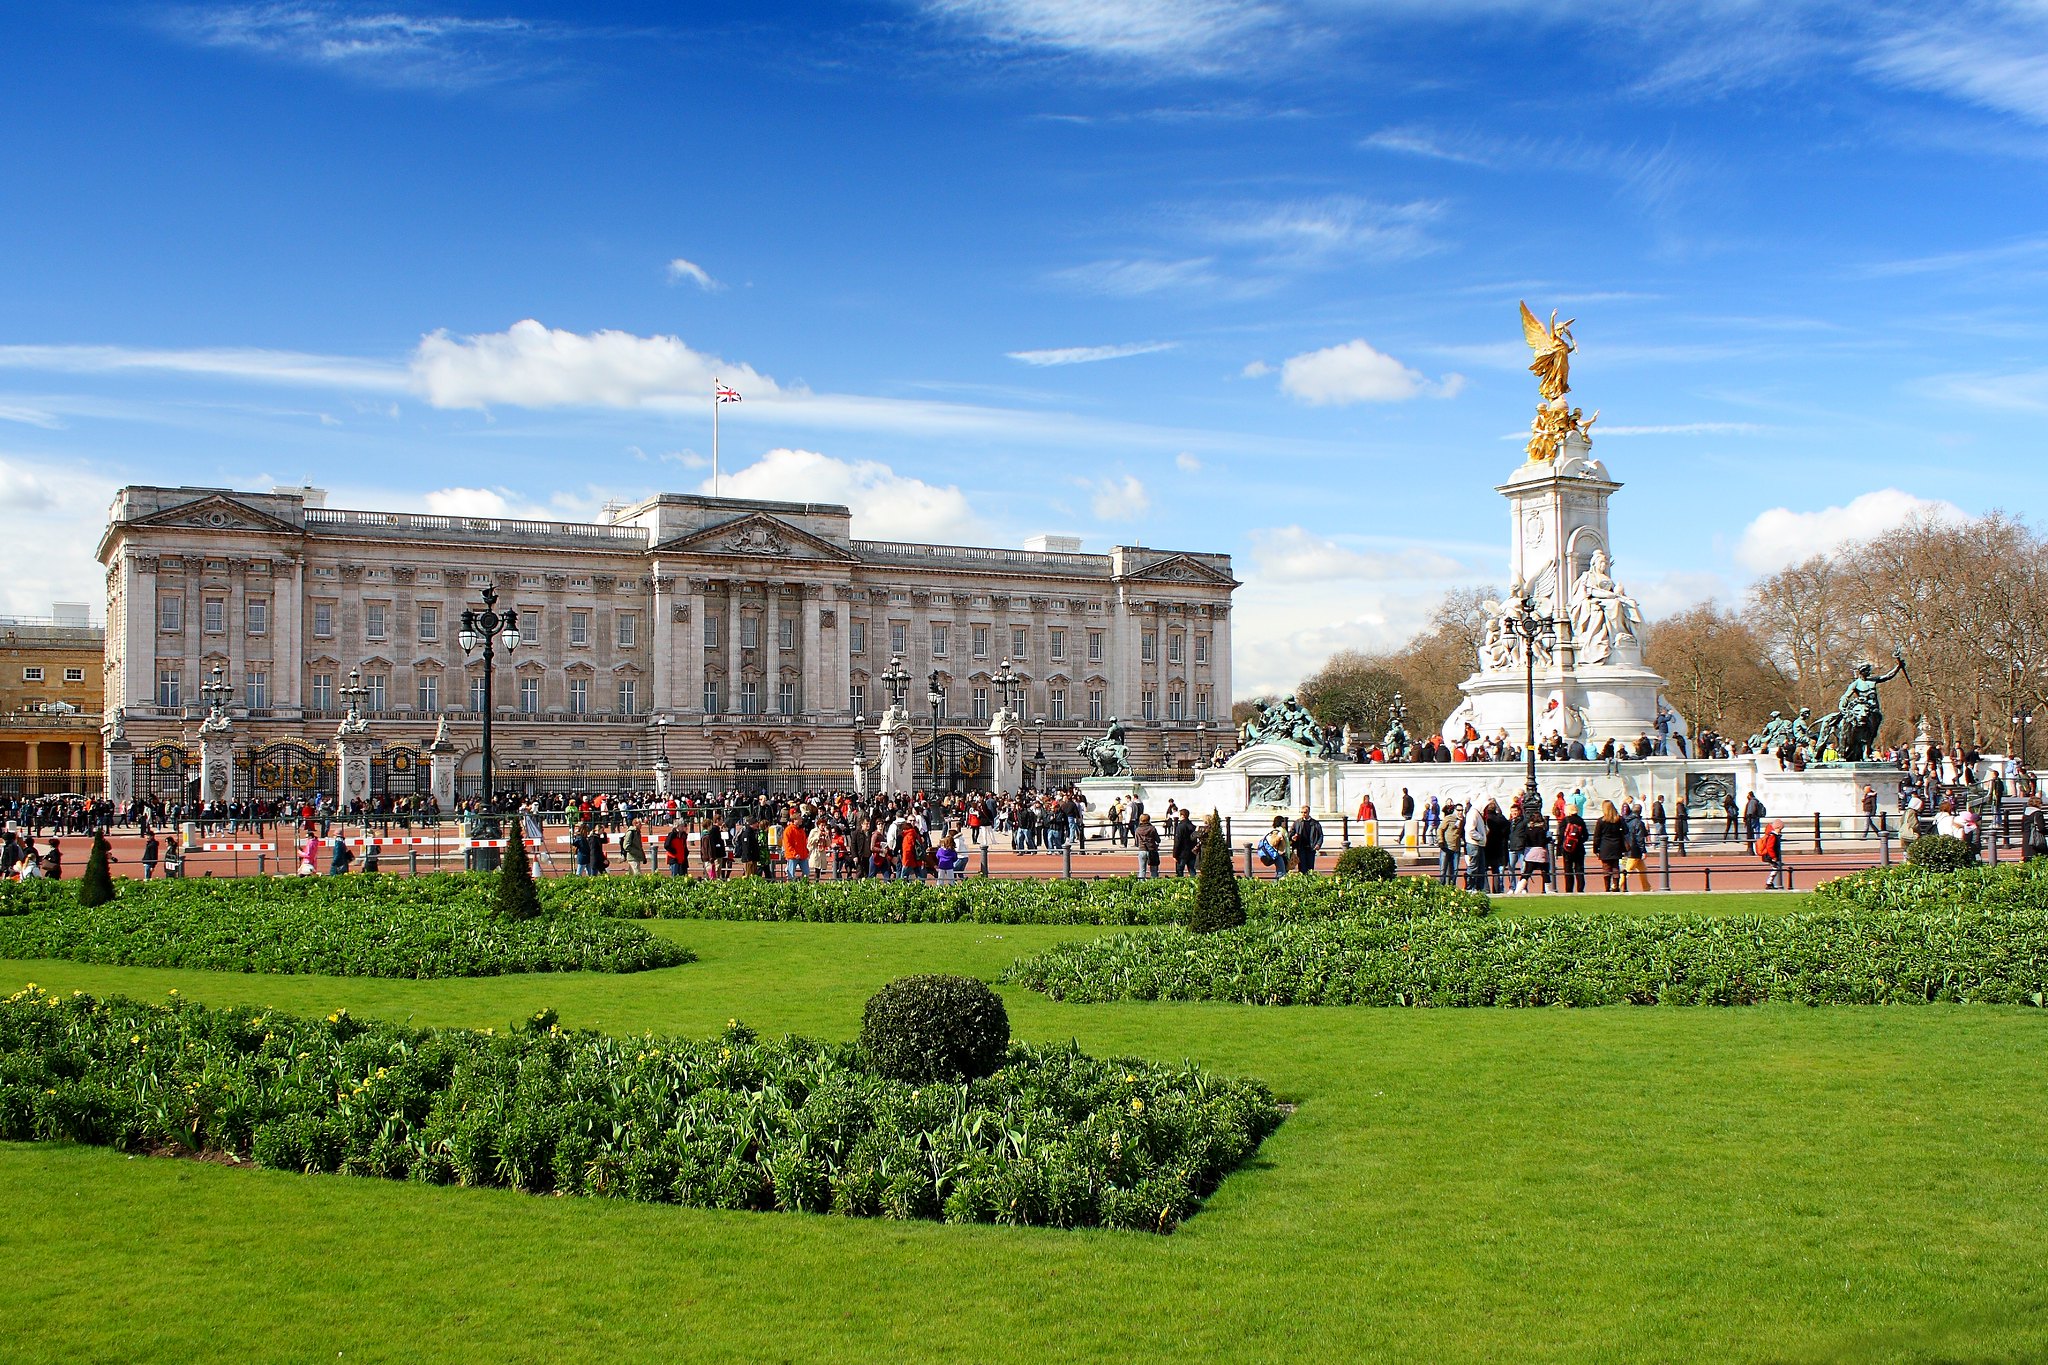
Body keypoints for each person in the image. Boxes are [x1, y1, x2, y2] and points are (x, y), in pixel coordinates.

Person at [1592, 800, 1626, 892]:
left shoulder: (1601, 821)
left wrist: (1595, 849)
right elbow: (1626, 831)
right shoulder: (1619, 819)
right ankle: (1615, 886)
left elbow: (1597, 837)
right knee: (1615, 866)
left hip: (1605, 846)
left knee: (1606, 867)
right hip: (1616, 845)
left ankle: (1607, 888)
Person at [1557, 802, 1589, 893]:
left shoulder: (1565, 820)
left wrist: (1559, 849)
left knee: (1568, 870)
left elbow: (1561, 836)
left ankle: (1569, 889)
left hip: (1567, 849)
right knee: (1579, 869)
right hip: (1579, 848)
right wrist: (1578, 841)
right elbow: (1586, 836)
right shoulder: (1580, 820)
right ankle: (1580, 889)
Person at [1519, 808, 1551, 894]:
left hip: (1529, 852)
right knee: (1545, 871)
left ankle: (1518, 889)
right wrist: (1549, 839)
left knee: (1527, 872)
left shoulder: (1528, 830)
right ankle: (1548, 889)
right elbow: (1541, 842)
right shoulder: (1541, 830)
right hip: (1540, 852)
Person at [1290, 805, 1324, 875]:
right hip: (1301, 847)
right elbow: (1291, 833)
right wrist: (1293, 837)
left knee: (1310, 867)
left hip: (1311, 848)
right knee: (1302, 867)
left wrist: (1318, 844)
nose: (1303, 814)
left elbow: (1320, 835)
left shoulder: (1315, 823)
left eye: (1305, 812)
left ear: (1309, 812)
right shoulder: (1297, 822)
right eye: (1302, 812)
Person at [1437, 803, 1463, 886]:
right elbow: (1440, 829)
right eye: (1458, 810)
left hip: (1456, 848)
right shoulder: (1448, 818)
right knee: (1443, 869)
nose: (1460, 812)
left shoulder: (1463, 820)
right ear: (1455, 810)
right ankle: (1441, 886)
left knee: (1455, 869)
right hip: (1446, 847)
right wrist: (1440, 841)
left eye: (1462, 810)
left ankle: (1452, 887)